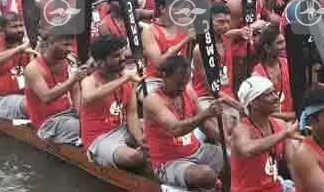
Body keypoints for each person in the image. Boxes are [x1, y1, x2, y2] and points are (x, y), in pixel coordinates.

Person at [143, 55, 225, 190]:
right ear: (164, 76)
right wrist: (206, 113)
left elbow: (203, 124)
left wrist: (226, 140)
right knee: (206, 175)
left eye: (186, 82)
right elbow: (175, 129)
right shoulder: (152, 100)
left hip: (197, 151)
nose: (183, 87)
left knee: (233, 159)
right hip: (168, 162)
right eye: (179, 83)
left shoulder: (188, 90)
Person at [79, 34, 146, 170]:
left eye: (122, 54)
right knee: (135, 158)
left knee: (158, 128)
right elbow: (88, 97)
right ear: (100, 62)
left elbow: (132, 115)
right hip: (100, 139)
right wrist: (125, 79)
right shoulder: (89, 81)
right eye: (116, 56)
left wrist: (141, 140)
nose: (123, 59)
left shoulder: (127, 79)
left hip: (123, 129)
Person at [230, 76, 300, 192]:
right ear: (254, 103)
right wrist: (284, 134)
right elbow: (247, 149)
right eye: (269, 94)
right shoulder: (241, 129)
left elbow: (292, 162)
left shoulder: (280, 125)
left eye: (274, 92)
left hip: (277, 187)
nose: (276, 97)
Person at [23, 28, 86, 145]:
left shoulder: (68, 61)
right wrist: (72, 80)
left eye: (71, 45)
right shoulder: (33, 69)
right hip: (47, 123)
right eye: (66, 45)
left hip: (68, 114)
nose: (70, 49)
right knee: (89, 129)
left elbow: (76, 93)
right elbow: (46, 97)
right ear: (51, 43)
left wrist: (84, 117)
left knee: (96, 123)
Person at [0, 12, 31, 121]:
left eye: (21, 26)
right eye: (14, 27)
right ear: (2, 31)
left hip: (24, 97)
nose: (19, 30)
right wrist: (19, 49)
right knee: (32, 105)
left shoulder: (28, 46)